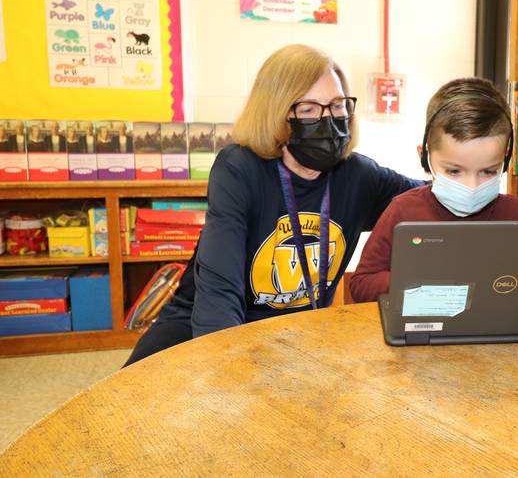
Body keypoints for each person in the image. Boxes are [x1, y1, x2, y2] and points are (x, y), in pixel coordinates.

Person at [124, 44, 422, 366]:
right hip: (204, 326)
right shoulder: (239, 169)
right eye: (308, 110)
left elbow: (430, 201)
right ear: (276, 112)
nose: (328, 120)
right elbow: (220, 293)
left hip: (298, 332)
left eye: (337, 106)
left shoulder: (359, 176)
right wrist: (225, 366)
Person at [348, 77, 518, 345]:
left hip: (501, 349)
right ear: (425, 156)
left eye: (489, 171)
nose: (471, 186)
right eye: (454, 171)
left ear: (506, 160)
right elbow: (361, 284)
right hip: (422, 347)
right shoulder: (404, 210)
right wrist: (420, 282)